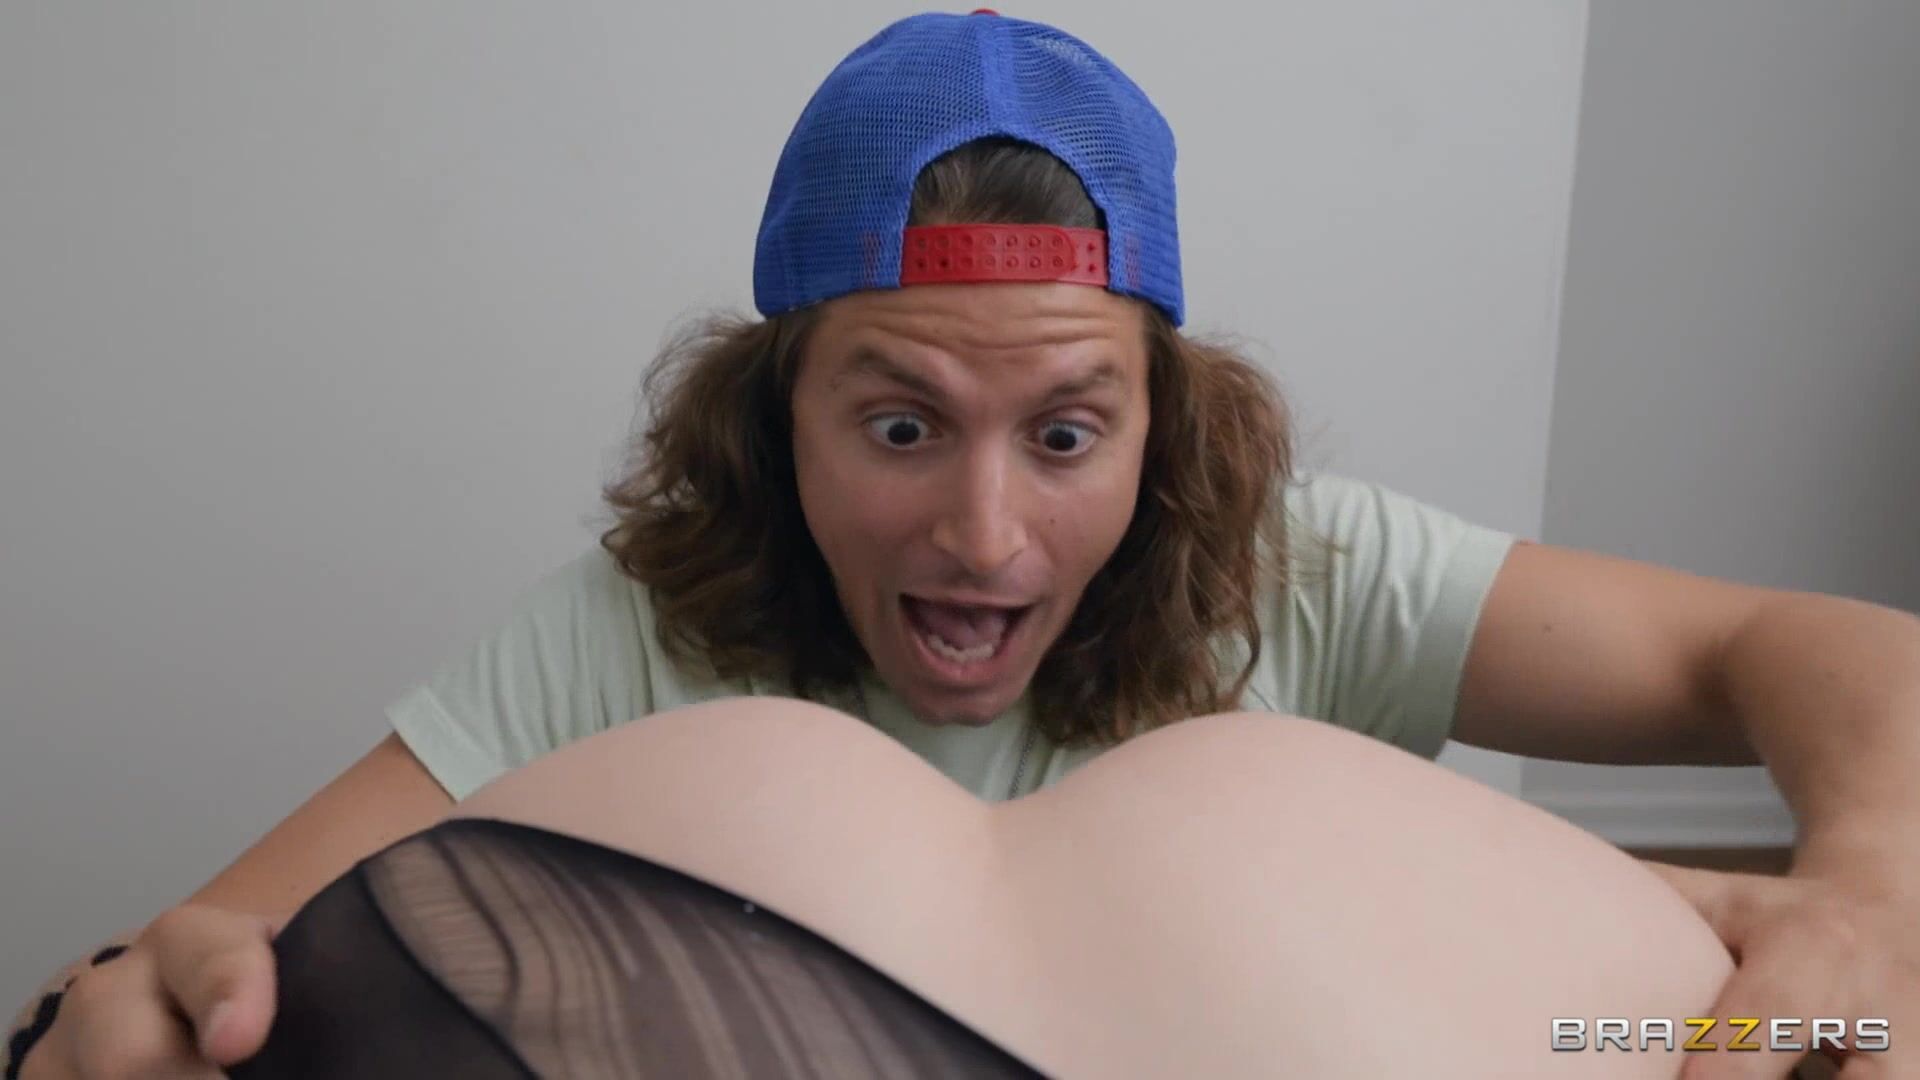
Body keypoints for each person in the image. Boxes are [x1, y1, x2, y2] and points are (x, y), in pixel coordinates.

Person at [11, 9, 1919, 1080]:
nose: (985, 532)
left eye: (1068, 433)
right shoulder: (625, 637)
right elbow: (191, 957)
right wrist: (107, 1015)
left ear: (1165, 430)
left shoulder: (1302, 569)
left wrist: (1869, 886)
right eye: (902, 424)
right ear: (776, 422)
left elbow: (1814, 649)